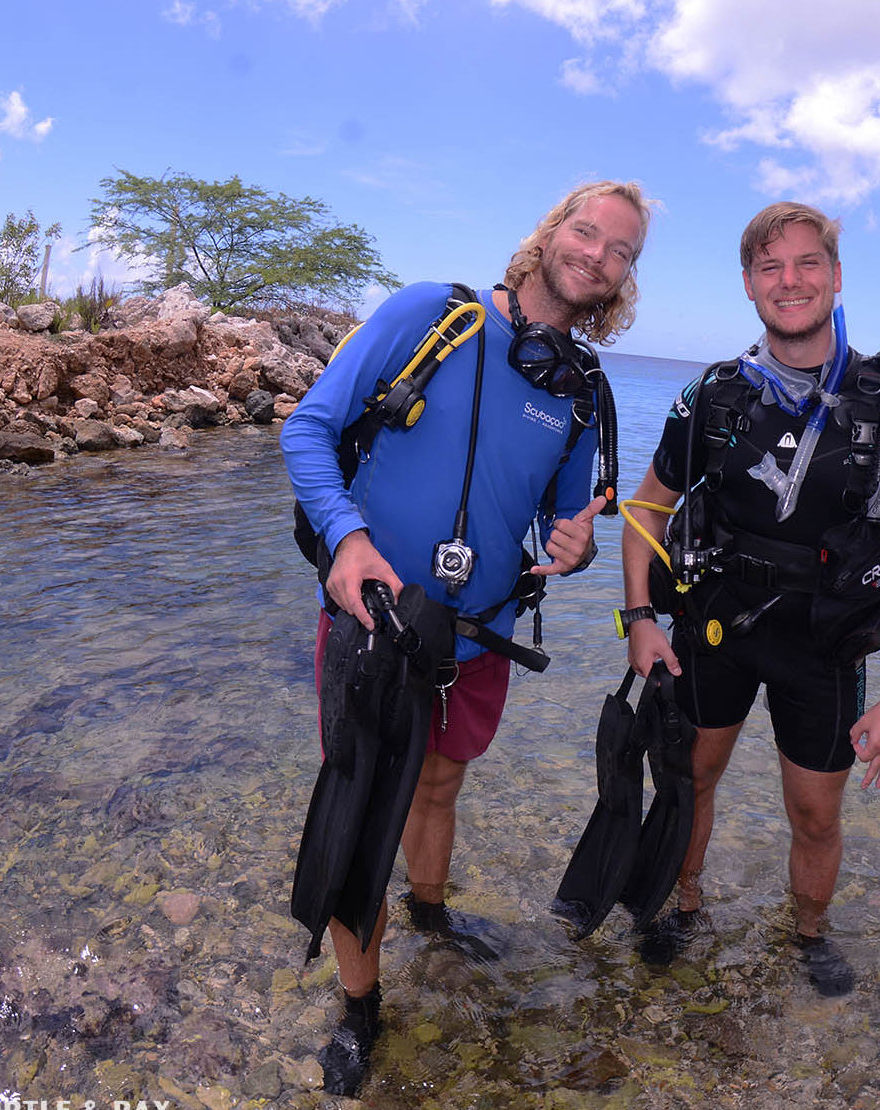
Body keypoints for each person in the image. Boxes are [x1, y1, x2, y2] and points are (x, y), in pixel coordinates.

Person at [282, 180, 651, 1094]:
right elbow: (308, 429)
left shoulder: (580, 389)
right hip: (377, 619)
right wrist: (348, 539)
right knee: (363, 808)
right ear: (548, 233)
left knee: (439, 785)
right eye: (585, 231)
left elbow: (569, 522)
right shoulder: (432, 318)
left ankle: (431, 913)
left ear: (622, 281)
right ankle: (362, 1005)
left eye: (620, 251)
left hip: (480, 637)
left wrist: (575, 547)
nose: (596, 254)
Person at [617, 201, 880, 996]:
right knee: (691, 782)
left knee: (815, 814)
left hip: (828, 641)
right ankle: (686, 905)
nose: (790, 280)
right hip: (719, 624)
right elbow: (645, 509)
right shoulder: (715, 395)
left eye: (807, 264)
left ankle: (808, 934)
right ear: (748, 286)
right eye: (771, 268)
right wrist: (637, 618)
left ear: (836, 279)